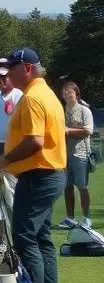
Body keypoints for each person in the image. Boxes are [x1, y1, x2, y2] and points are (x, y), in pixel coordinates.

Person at [0, 48, 67, 283]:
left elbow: (35, 141)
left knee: (24, 237)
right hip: (50, 174)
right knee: (42, 239)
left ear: (27, 68)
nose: (8, 73)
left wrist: (3, 161)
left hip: (38, 175)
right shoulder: (47, 93)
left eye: (12, 67)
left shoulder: (33, 97)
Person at [0, 59, 23, 243]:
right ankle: (2, 238)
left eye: (4, 77)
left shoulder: (18, 95)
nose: (1, 81)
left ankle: (16, 237)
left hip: (9, 149)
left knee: (10, 195)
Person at [58, 81, 93, 229]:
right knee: (67, 187)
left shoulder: (84, 110)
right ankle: (69, 218)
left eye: (69, 91)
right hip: (65, 154)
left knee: (82, 186)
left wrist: (69, 130)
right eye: (64, 91)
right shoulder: (61, 110)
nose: (66, 93)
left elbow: (89, 130)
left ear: (76, 94)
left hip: (81, 153)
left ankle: (86, 218)